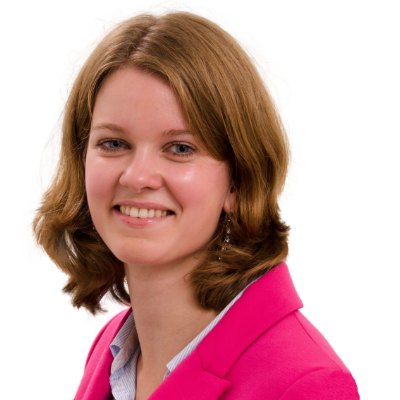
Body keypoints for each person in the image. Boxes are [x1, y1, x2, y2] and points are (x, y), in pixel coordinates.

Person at [18, 1, 359, 399]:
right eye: (113, 143)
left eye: (180, 148)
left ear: (238, 181)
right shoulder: (111, 338)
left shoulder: (306, 385)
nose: (137, 177)